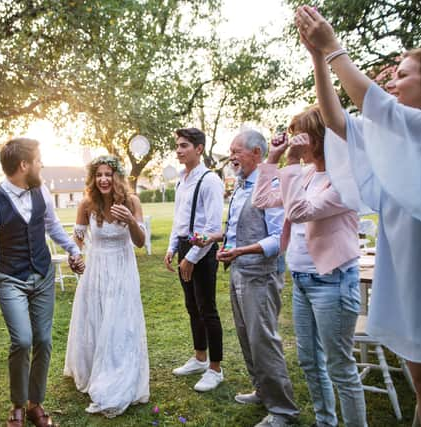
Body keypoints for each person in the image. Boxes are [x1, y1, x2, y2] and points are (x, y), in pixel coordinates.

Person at [296, 6, 421, 424]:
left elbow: (374, 104)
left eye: (402, 74)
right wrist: (318, 57)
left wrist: (333, 45)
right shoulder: (393, 138)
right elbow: (337, 120)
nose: (392, 80)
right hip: (410, 280)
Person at [252, 106, 367, 427]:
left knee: (339, 367)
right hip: (302, 279)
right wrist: (273, 159)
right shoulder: (303, 174)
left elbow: (300, 211)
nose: (293, 141)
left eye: (299, 134)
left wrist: (289, 164)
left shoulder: (344, 180)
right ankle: (325, 422)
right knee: (310, 362)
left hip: (333, 281)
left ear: (318, 137)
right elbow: (262, 200)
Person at [0, 137, 85, 427]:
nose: (42, 165)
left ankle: (35, 403)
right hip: (10, 278)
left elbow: (52, 227)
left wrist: (73, 250)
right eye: (38, 160)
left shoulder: (42, 191)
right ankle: (17, 404)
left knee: (44, 340)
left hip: (43, 275)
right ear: (24, 165)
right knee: (22, 340)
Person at [217, 130, 298, 427]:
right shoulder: (240, 186)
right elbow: (239, 228)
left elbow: (279, 240)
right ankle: (263, 391)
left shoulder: (272, 184)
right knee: (245, 336)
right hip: (239, 270)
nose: (232, 156)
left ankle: (284, 411)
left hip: (262, 276)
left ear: (257, 153)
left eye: (237, 151)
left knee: (263, 340)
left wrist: (240, 250)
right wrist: (225, 245)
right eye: (230, 150)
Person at [64, 155, 149, 417]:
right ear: (93, 179)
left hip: (123, 268)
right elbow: (77, 241)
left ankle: (117, 371)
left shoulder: (131, 202)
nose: (103, 179)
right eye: (98, 174)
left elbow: (139, 242)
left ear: (117, 177)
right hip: (97, 269)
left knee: (119, 320)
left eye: (108, 174)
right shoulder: (87, 204)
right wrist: (74, 257)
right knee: (96, 319)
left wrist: (131, 221)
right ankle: (93, 368)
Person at [163, 128, 225, 393]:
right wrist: (172, 247)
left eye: (184, 145)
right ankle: (200, 358)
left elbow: (212, 226)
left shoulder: (209, 180)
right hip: (184, 246)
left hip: (203, 249)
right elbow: (179, 218)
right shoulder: (181, 180)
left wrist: (191, 257)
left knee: (207, 308)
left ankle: (215, 368)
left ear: (199, 149)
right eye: (177, 145)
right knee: (192, 307)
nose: (178, 150)